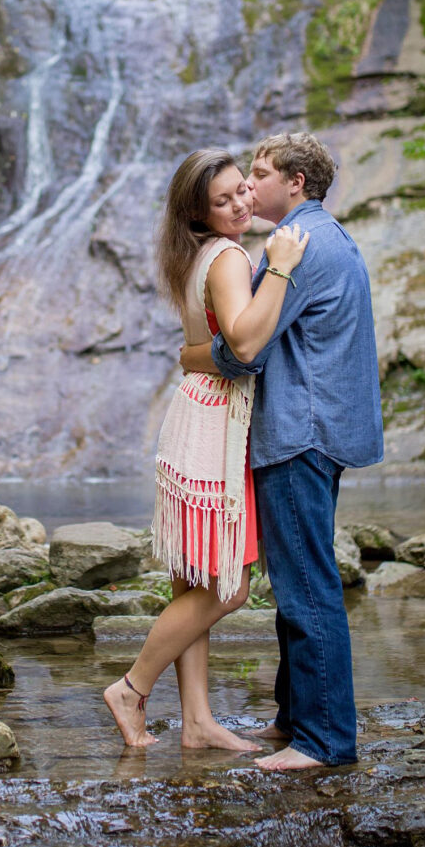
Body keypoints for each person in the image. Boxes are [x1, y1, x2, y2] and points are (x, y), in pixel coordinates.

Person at [180, 132, 384, 770]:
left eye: (259, 175)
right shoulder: (327, 235)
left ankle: (323, 743)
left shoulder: (294, 245)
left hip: (300, 432)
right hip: (318, 429)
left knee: (305, 588)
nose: (248, 189)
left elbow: (248, 348)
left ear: (295, 183)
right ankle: (296, 717)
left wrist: (190, 355)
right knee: (302, 576)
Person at [103, 148, 309, 750]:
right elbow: (245, 344)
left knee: (193, 580)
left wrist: (194, 353)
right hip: (216, 428)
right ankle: (133, 686)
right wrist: (282, 267)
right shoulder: (228, 256)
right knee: (228, 587)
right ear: (198, 211)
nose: (242, 203)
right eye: (222, 201)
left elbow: (201, 348)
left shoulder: (194, 256)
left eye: (243, 189)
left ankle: (197, 721)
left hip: (193, 415)